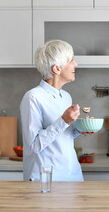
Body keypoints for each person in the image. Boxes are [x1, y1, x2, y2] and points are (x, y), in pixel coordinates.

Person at [20, 39, 92, 181]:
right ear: (56, 68)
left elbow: (62, 135)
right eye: (71, 60)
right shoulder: (33, 97)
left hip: (72, 176)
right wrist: (64, 120)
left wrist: (79, 129)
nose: (75, 64)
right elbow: (34, 145)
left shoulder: (65, 97)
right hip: (46, 180)